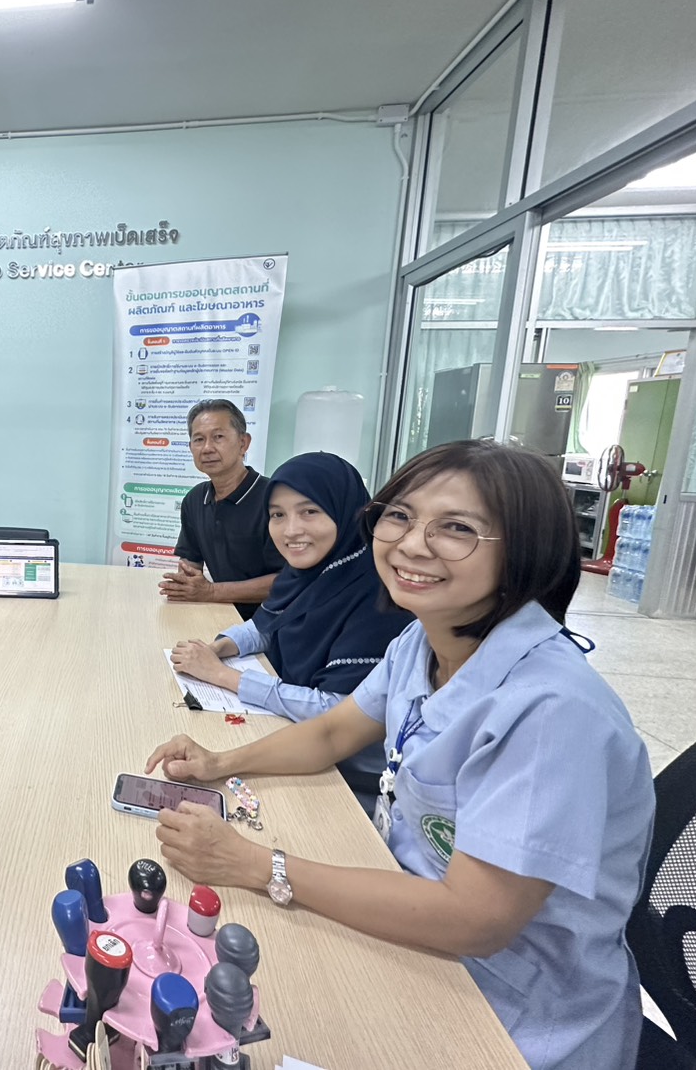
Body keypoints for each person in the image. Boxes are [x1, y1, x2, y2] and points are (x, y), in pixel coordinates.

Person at [145, 440, 655, 1070]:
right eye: (400, 516)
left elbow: (475, 921)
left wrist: (255, 865)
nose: (412, 544)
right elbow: (332, 734)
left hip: (510, 1016)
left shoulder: (550, 711)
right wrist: (220, 763)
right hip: (414, 933)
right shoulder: (422, 640)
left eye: (457, 528)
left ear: (526, 550)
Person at [168, 452, 413, 796]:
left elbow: (335, 711)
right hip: (292, 740)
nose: (291, 530)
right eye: (277, 515)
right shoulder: (308, 571)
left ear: (348, 511)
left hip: (344, 780)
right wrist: (217, 648)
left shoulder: (379, 595)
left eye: (310, 511)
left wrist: (222, 676)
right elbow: (267, 625)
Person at [160, 399, 284, 620]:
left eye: (218, 437)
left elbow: (288, 580)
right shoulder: (195, 499)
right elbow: (190, 562)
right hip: (219, 614)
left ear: (243, 443)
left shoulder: (275, 499)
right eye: (199, 439)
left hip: (274, 623)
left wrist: (211, 592)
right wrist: (186, 585)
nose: (207, 448)